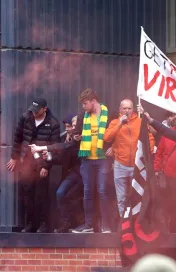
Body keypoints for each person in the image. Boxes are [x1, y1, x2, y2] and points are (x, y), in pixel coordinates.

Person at [7, 98, 60, 233]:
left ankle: (43, 225)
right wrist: (14, 158)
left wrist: (46, 167)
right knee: (27, 196)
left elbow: (53, 148)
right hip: (26, 163)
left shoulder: (53, 123)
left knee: (41, 196)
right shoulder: (25, 118)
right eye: (33, 110)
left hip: (41, 164)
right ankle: (30, 224)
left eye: (37, 111)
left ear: (44, 109)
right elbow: (17, 138)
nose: (34, 113)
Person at [30, 115, 83, 233]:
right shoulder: (67, 139)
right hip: (72, 173)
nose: (69, 129)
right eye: (68, 126)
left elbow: (65, 148)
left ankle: (81, 224)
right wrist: (48, 157)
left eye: (72, 126)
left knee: (73, 197)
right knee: (60, 193)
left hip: (82, 173)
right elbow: (61, 158)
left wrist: (42, 148)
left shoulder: (79, 139)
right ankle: (67, 222)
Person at [71, 88, 114, 233]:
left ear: (94, 101)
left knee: (102, 191)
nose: (83, 106)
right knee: (87, 192)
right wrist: (76, 137)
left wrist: (113, 147)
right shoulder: (83, 116)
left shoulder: (109, 113)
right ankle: (88, 225)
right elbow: (76, 133)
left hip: (103, 159)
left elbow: (116, 133)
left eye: (85, 103)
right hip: (87, 159)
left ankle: (106, 225)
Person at [104, 99, 154, 218]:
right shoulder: (115, 122)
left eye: (129, 108)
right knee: (121, 198)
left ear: (133, 109)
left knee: (137, 197)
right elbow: (107, 138)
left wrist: (147, 154)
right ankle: (124, 225)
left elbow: (150, 138)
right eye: (124, 108)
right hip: (120, 165)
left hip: (137, 166)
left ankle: (136, 224)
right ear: (120, 110)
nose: (127, 110)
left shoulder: (140, 121)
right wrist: (119, 123)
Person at [153, 112, 176, 232]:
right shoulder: (167, 135)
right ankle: (170, 232)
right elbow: (159, 154)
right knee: (170, 205)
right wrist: (157, 170)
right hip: (169, 178)